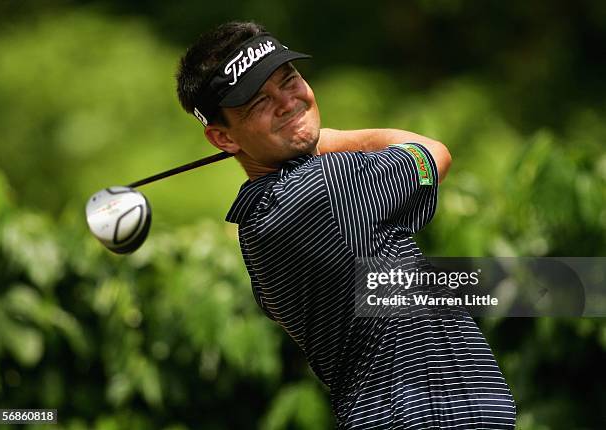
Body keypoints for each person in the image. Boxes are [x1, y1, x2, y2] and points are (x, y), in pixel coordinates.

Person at [176, 21, 516, 429]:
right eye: (258, 103)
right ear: (224, 138)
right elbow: (434, 153)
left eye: (290, 80)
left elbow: (397, 290)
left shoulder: (254, 226)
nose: (288, 102)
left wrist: (559, 286)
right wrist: (329, 138)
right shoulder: (322, 187)